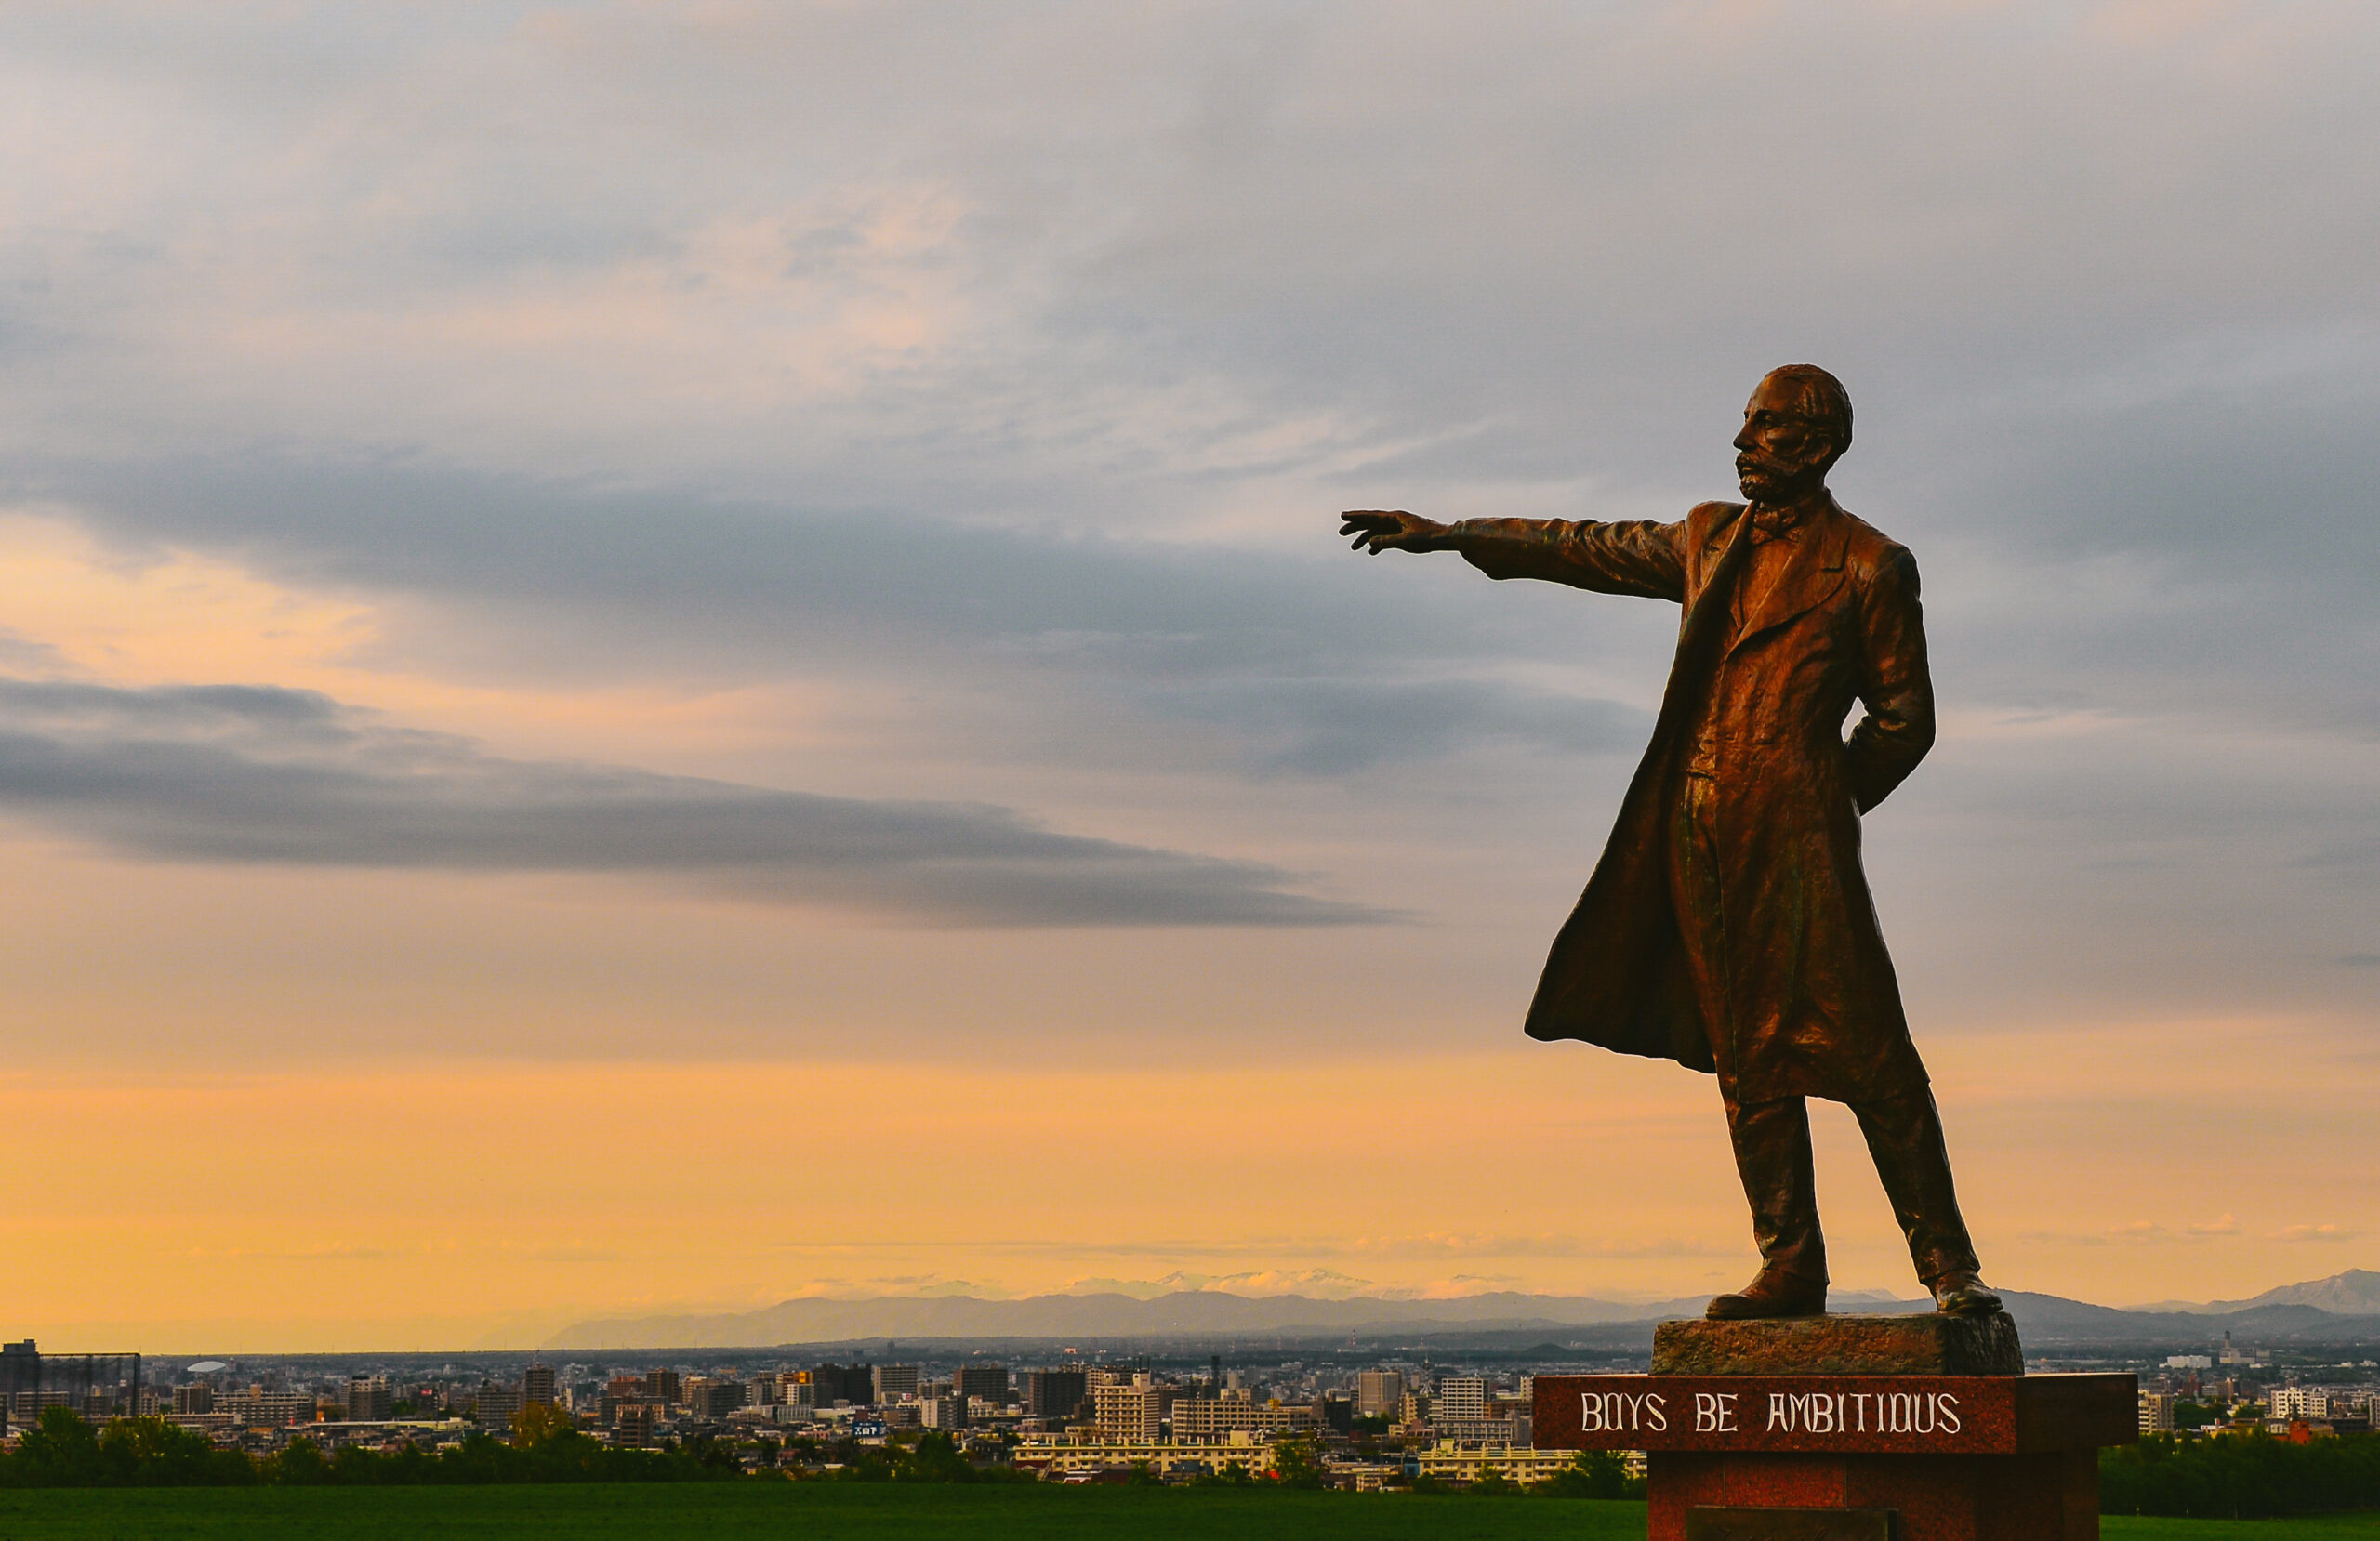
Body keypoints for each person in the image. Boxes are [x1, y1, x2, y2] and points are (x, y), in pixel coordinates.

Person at [1339, 366, 1999, 1319]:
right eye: (1744, 422)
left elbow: (1903, 719)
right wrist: (1453, 533)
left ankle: (1947, 1267)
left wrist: (1817, 802)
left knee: (1870, 1050)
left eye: (1764, 426)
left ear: (1812, 446)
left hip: (1800, 842)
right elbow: (1588, 545)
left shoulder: (1869, 564)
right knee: (1745, 1052)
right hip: (1700, 833)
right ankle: (1791, 1262)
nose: (1741, 440)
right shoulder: (1707, 538)